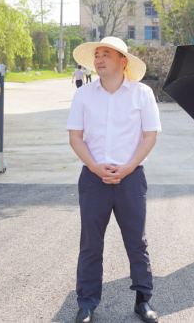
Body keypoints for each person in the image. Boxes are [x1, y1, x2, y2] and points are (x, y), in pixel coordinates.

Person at [66, 37, 161, 323]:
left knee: (136, 242)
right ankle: (86, 303)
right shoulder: (84, 94)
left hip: (131, 178)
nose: (99, 59)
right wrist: (95, 167)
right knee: (90, 243)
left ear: (123, 61)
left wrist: (129, 167)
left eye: (106, 54)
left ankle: (143, 300)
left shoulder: (142, 93)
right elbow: (75, 137)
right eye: (97, 54)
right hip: (93, 178)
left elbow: (150, 136)